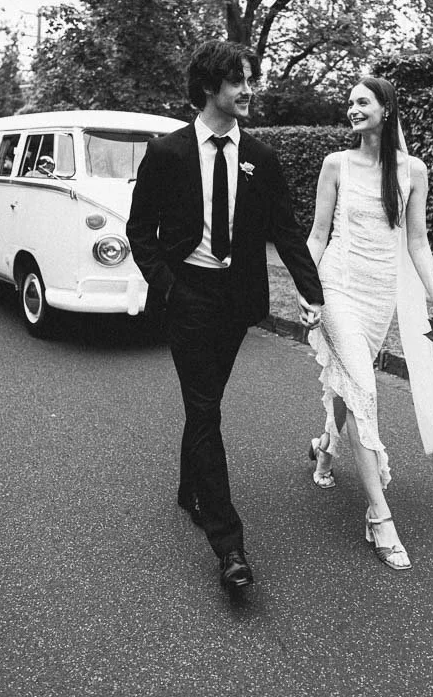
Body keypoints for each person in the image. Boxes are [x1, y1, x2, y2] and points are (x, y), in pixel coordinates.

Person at [126, 40, 324, 591]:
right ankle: (228, 544)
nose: (248, 90)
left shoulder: (263, 156)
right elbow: (140, 233)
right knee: (206, 407)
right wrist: (168, 289)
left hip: (237, 302)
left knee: (205, 401)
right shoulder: (167, 153)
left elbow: (285, 231)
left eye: (248, 79)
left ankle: (190, 487)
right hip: (187, 295)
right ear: (211, 87)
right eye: (239, 81)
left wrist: (315, 295)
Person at [306, 76, 433, 572]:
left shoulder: (413, 170)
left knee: (352, 386)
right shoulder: (336, 165)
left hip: (379, 299)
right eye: (349, 102)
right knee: (364, 388)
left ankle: (326, 447)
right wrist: (308, 292)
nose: (352, 109)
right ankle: (380, 516)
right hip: (336, 290)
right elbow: (316, 235)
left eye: (362, 101)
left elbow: (417, 243)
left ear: (386, 109)